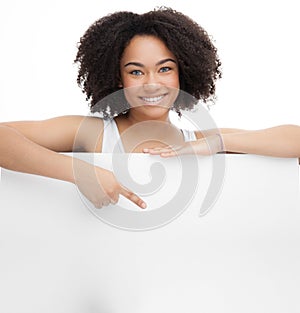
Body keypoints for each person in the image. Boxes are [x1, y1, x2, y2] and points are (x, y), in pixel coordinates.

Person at [0, 7, 299, 210]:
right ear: (118, 78)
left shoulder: (196, 141)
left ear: (183, 73)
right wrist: (82, 173)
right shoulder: (94, 133)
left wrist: (219, 142)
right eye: (136, 72)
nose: (152, 84)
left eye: (165, 69)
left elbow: (294, 139)